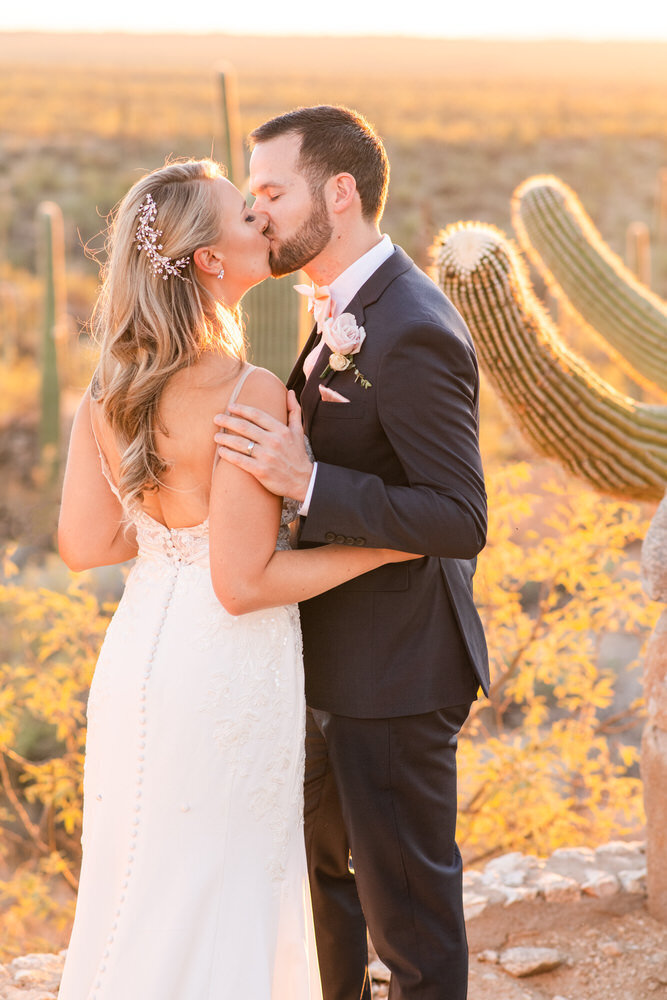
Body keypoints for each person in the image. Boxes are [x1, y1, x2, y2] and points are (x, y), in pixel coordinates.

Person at [57, 157, 415, 1000]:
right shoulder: (246, 389)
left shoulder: (109, 388)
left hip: (141, 655)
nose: (265, 219)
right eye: (246, 218)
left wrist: (171, 525)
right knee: (226, 880)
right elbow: (243, 583)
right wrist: (387, 546)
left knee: (140, 877)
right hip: (223, 665)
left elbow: (84, 544)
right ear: (210, 261)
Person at [214, 106, 489, 1000]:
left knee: (408, 925)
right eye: (249, 195)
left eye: (271, 192)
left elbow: (458, 516)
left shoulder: (409, 324)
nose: (257, 215)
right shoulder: (340, 308)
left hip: (398, 676)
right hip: (327, 662)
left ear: (339, 192)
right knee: (327, 895)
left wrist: (307, 484)